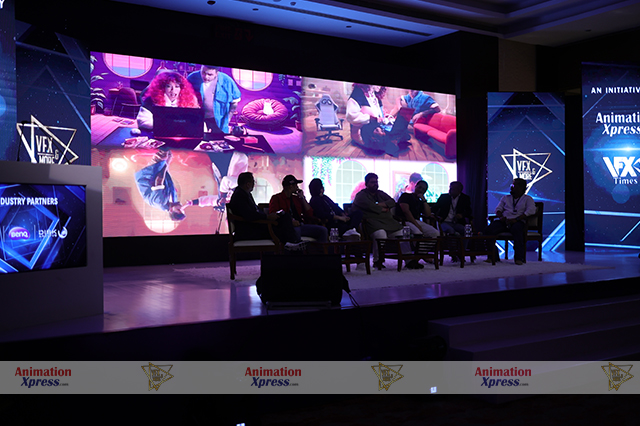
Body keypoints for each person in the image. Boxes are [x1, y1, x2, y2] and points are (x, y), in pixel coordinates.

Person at [352, 173, 418, 269]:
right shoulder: (361, 195)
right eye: (372, 182)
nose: (375, 184)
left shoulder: (380, 193)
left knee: (402, 233)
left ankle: (408, 260)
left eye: (376, 182)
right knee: (380, 234)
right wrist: (382, 209)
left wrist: (380, 204)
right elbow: (370, 206)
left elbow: (392, 202)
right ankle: (378, 261)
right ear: (366, 184)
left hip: (389, 222)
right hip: (372, 223)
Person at [228, 172, 302, 249]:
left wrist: (267, 216)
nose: (254, 184)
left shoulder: (244, 194)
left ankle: (291, 243)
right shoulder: (240, 196)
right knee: (281, 224)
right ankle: (291, 243)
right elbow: (249, 215)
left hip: (253, 226)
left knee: (284, 217)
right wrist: (267, 217)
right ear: (248, 184)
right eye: (253, 182)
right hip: (248, 231)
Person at [346, 84, 412, 157]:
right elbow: (351, 116)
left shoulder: (375, 96)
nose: (380, 87)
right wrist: (372, 119)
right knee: (378, 135)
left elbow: (379, 114)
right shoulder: (357, 95)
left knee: (399, 127)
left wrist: (385, 117)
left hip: (378, 125)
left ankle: (392, 141)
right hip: (363, 128)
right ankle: (393, 141)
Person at [483, 178, 537, 265]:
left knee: (517, 230)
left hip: (518, 221)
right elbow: (498, 209)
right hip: (505, 221)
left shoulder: (527, 199)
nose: (511, 187)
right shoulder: (505, 198)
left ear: (520, 187)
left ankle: (519, 258)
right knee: (489, 230)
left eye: (513, 185)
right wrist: (501, 217)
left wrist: (517, 219)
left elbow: (531, 211)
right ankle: (492, 256)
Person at [269, 175, 328, 243]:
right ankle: (295, 249)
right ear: (291, 186)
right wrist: (290, 222)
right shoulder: (276, 198)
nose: (297, 187)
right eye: (296, 185)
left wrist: (302, 197)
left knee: (323, 230)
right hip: (287, 228)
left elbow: (309, 213)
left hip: (300, 225)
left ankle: (319, 250)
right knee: (296, 231)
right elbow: (274, 215)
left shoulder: (296, 199)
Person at [187, 65, 241, 134]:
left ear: (216, 73)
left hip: (219, 121)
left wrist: (227, 120)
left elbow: (234, 102)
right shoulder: (192, 78)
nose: (206, 77)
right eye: (203, 72)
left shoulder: (227, 81)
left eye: (210, 74)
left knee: (219, 139)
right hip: (197, 118)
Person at [134, 150, 186, 221]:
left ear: (171, 210)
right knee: (168, 154)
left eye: (179, 210)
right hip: (154, 175)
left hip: (146, 176)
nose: (181, 207)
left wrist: (166, 163)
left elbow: (159, 180)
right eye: (182, 210)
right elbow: (166, 177)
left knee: (163, 155)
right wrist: (168, 162)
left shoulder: (160, 202)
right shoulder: (173, 201)